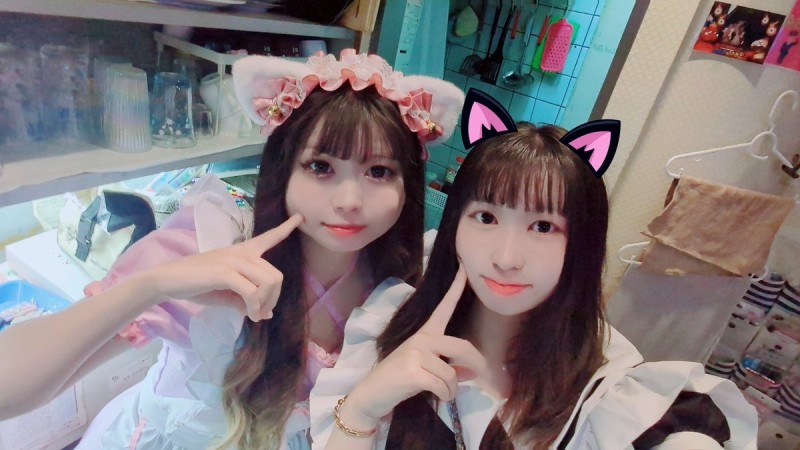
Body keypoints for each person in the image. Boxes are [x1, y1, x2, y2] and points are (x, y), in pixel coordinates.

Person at [0, 49, 464, 450]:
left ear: (407, 185)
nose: (349, 200)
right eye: (320, 166)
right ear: (284, 170)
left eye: (379, 171)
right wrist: (154, 284)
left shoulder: (404, 284)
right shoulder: (211, 247)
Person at [310, 89, 758, 449]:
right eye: (486, 217)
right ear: (454, 225)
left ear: (581, 243)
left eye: (543, 226)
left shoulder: (608, 389)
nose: (507, 257)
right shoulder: (389, 322)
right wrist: (362, 409)